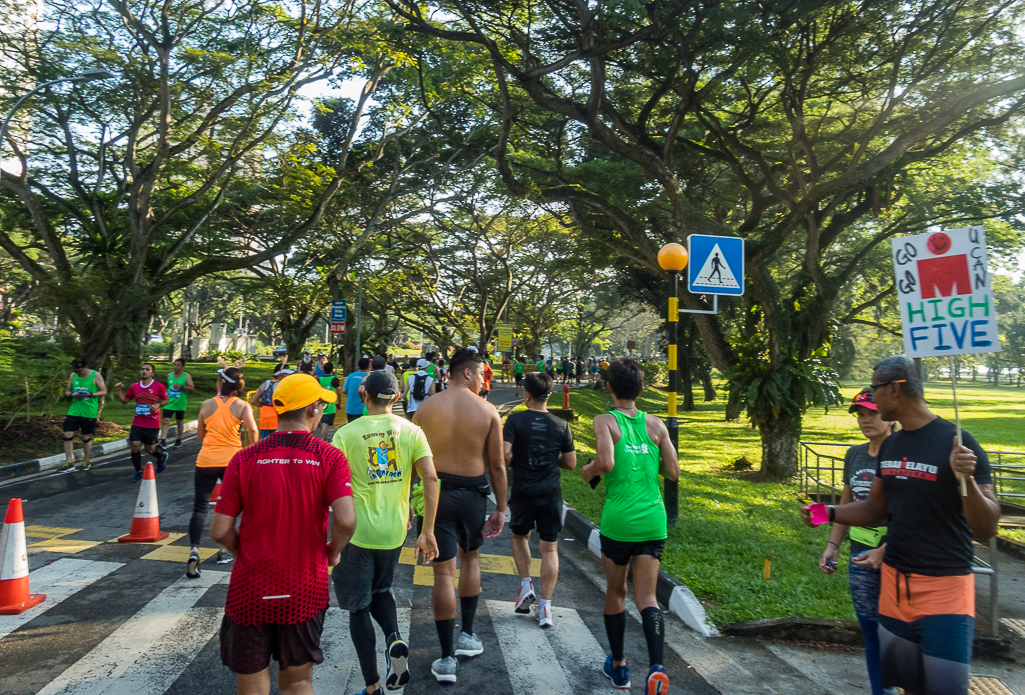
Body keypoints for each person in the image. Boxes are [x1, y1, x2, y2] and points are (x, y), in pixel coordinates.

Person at [801, 355, 1000, 695]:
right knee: (906, 686)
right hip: (894, 591)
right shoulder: (892, 445)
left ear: (894, 389)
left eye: (875, 389)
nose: (872, 399)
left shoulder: (959, 444)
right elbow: (876, 508)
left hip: (945, 594)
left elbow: (986, 527)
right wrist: (826, 512)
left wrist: (964, 479)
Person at [210, 373, 357, 695]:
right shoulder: (329, 456)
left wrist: (244, 550)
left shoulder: (244, 458)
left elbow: (219, 530)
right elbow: (346, 521)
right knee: (299, 683)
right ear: (313, 409)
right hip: (305, 588)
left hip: (249, 589)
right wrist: (333, 552)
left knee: (251, 685)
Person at [332, 370, 440, 694]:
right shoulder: (412, 432)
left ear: (364, 396)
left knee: (358, 607)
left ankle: (372, 686)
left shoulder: (346, 434)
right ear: (396, 398)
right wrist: (428, 531)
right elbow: (431, 479)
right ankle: (393, 639)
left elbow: (332, 486)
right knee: (381, 591)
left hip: (356, 532)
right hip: (395, 532)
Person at [580, 359, 679, 695]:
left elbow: (606, 462)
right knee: (648, 596)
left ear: (610, 388)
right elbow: (674, 471)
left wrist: (589, 471)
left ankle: (620, 667)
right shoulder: (656, 425)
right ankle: (656, 668)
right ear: (640, 389)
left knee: (616, 592)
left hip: (619, 522)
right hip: (653, 520)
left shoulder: (605, 420)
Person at [413, 348, 507, 684]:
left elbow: (414, 462)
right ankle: (467, 635)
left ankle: (447, 657)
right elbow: (496, 464)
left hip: (436, 493)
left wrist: (409, 504)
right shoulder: (487, 410)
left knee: (442, 574)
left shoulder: (425, 409)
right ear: (466, 373)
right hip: (472, 496)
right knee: (471, 561)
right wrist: (500, 508)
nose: (484, 380)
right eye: (482, 373)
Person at [818, 388, 898, 695]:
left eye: (873, 413)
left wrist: (885, 549)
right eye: (861, 415)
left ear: (889, 416)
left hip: (895, 555)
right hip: (860, 556)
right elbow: (846, 502)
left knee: (897, 634)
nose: (866, 420)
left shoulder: (901, 453)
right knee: (871, 632)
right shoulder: (855, 454)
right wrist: (832, 546)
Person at [503, 372, 576, 628]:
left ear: (527, 395)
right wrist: (549, 460)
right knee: (550, 548)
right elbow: (571, 463)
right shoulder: (561, 425)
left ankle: (526, 585)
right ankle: (545, 607)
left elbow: (504, 454)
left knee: (520, 537)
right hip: (550, 493)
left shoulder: (515, 421)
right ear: (550, 395)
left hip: (523, 491)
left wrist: (515, 461)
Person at [187, 367, 258, 579]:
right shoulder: (242, 405)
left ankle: (194, 551)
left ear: (220, 383)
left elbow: (201, 434)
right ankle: (224, 550)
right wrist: (251, 452)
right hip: (233, 462)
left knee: (199, 507)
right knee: (233, 506)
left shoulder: (207, 404)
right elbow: (253, 430)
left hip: (206, 460)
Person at [114, 363, 170, 483]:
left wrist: (158, 404)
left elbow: (166, 399)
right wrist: (119, 390)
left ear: (152, 373)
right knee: (134, 446)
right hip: (137, 422)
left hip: (152, 423)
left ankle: (161, 456)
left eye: (147, 370)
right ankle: (138, 472)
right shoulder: (135, 387)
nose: (144, 371)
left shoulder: (158, 386)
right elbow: (125, 400)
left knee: (149, 450)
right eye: (142, 369)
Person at [60, 358, 107, 472]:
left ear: (86, 367)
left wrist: (91, 394)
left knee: (85, 436)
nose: (78, 373)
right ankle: (69, 462)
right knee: (67, 434)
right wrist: (72, 395)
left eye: (80, 370)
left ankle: (86, 460)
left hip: (89, 412)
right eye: (76, 370)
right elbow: (67, 392)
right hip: (74, 410)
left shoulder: (95, 375)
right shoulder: (73, 376)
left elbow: (104, 391)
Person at [160, 358, 195, 449]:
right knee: (166, 421)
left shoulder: (186, 376)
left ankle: (179, 439)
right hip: (169, 402)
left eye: (178, 365)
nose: (175, 367)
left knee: (179, 422)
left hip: (180, 403)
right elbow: (168, 387)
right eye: (174, 365)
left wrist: (182, 386)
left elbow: (191, 388)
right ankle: (163, 440)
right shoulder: (169, 375)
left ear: (182, 366)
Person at [252, 364, 289, 439]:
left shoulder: (266, 384)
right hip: (279, 419)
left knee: (265, 444)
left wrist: (265, 405)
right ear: (280, 375)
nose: (288, 375)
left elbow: (254, 401)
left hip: (265, 419)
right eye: (286, 373)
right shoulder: (283, 385)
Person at [316, 362, 341, 440]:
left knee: (323, 423)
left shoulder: (320, 379)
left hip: (321, 405)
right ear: (332, 370)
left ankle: (323, 440)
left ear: (324, 370)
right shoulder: (334, 379)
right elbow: (339, 392)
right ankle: (324, 441)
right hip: (331, 406)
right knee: (326, 425)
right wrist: (339, 403)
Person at [343, 357, 371, 424]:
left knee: (352, 429)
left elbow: (344, 390)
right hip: (363, 409)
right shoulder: (368, 377)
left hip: (350, 408)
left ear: (358, 366)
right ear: (368, 367)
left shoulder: (350, 376)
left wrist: (351, 393)